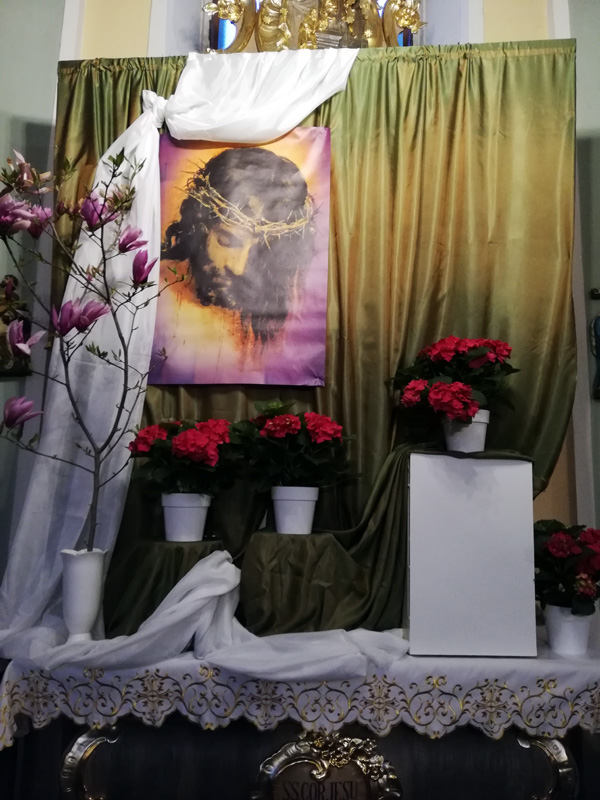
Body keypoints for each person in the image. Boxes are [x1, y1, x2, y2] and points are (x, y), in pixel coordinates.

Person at [162, 147, 315, 348]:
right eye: (229, 241)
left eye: (262, 251)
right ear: (200, 225)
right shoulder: (158, 293)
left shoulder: (278, 319)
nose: (239, 268)